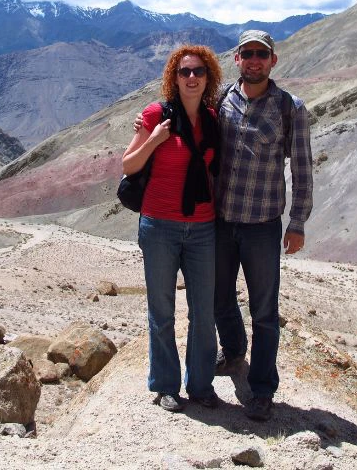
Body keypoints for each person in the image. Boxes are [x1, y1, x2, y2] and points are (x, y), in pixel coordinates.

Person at [212, 29, 313, 422]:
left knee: (265, 311)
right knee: (219, 296)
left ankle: (262, 389)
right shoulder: (222, 99)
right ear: (237, 58)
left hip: (262, 226)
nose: (254, 60)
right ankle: (234, 350)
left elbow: (302, 169)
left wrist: (297, 222)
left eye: (261, 54)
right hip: (221, 221)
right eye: (248, 53)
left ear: (273, 60)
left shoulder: (290, 108)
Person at [122, 44, 223, 413]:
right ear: (174, 78)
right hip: (159, 226)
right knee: (162, 311)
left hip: (202, 228)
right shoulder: (156, 115)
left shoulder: (212, 118)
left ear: (209, 77)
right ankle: (166, 385)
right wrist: (153, 140)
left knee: (204, 312)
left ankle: (201, 385)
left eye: (199, 71)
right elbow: (129, 165)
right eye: (185, 72)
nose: (192, 77)